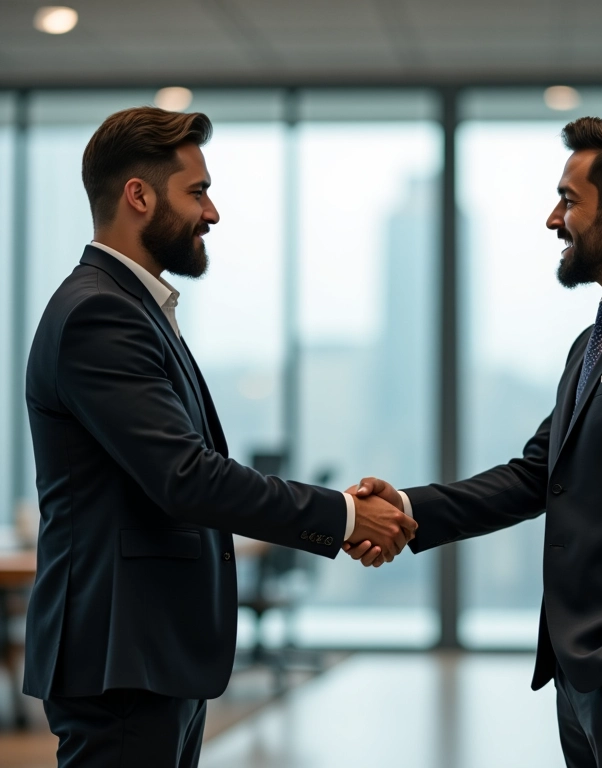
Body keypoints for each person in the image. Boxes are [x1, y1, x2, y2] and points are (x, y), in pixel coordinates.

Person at [347, 116, 602, 768]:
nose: (552, 218)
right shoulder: (596, 340)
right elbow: (537, 474)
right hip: (586, 668)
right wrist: (407, 508)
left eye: (568, 199)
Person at [23, 106, 416, 768]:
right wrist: (345, 515)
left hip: (150, 650)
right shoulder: (101, 312)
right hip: (124, 654)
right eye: (198, 191)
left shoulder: (134, 307)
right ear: (139, 196)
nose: (213, 213)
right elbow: (186, 478)